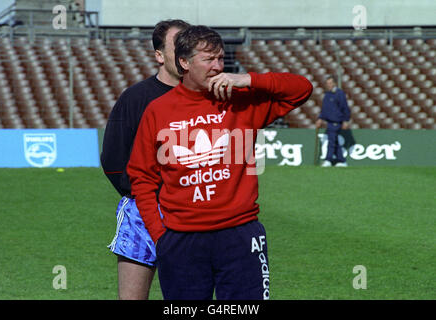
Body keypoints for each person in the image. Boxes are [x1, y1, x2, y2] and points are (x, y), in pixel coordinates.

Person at [127, 25, 313, 300]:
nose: (217, 66)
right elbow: (141, 176)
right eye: (208, 59)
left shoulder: (242, 101)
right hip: (181, 240)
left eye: (220, 58)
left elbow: (302, 89)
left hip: (239, 234)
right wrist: (160, 235)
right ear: (184, 62)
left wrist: (247, 79)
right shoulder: (158, 110)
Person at [101, 19, 190, 300]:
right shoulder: (136, 98)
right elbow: (114, 160)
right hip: (142, 212)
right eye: (177, 47)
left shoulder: (207, 98)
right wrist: (145, 196)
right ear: (159, 55)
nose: (184, 53)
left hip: (191, 215)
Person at [315, 75, 351, 167]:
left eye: (331, 83)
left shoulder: (339, 93)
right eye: (327, 83)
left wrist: (345, 120)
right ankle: (341, 161)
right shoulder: (327, 94)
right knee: (334, 141)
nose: (329, 85)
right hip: (329, 121)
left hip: (336, 121)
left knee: (331, 141)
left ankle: (328, 160)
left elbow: (345, 107)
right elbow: (325, 109)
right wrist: (320, 118)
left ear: (334, 83)